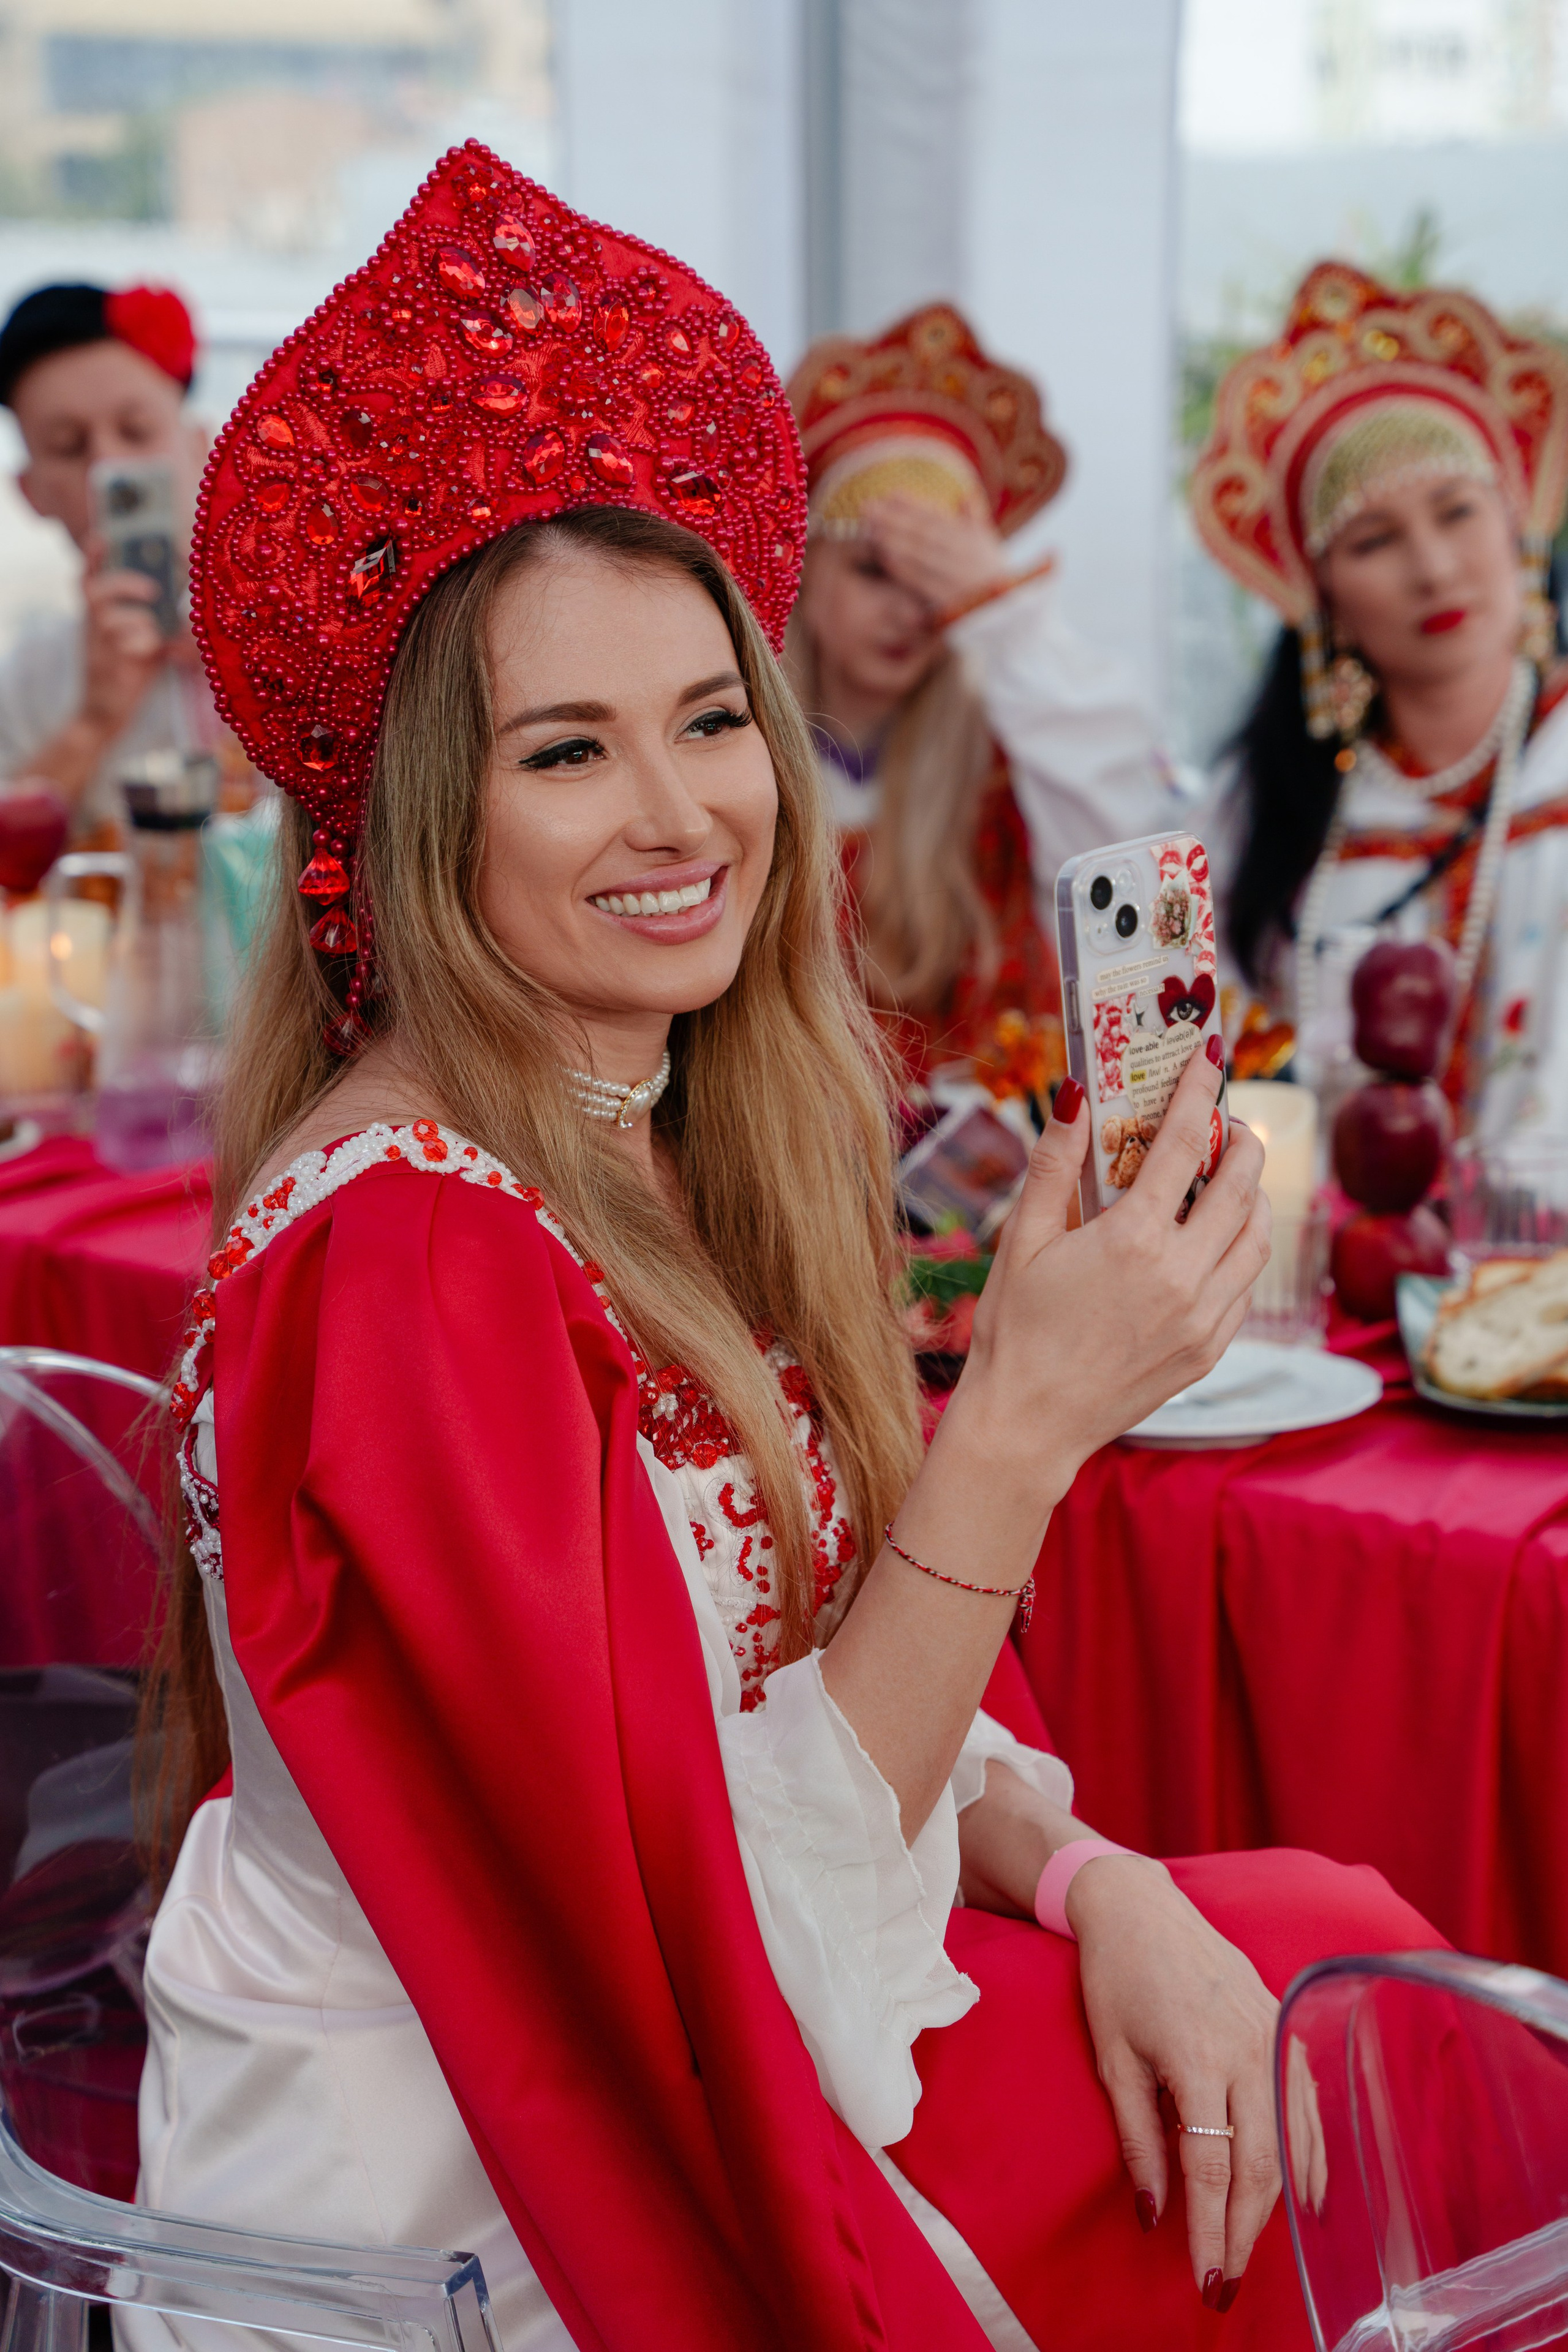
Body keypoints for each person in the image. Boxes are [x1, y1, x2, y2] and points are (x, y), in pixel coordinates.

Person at [138, 146, 1435, 2352]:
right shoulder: (405, 1267)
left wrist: (1097, 1877)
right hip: (514, 2193)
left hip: (760, 2012)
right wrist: (1012, 1432)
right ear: (416, 822)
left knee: (1318, 1952)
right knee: (1362, 2071)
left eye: (710, 718)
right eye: (567, 751)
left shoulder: (646, 1135)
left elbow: (799, 1692)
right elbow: (682, 1970)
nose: (682, 818)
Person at [1191, 259, 1568, 1135]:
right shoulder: (1268, 815)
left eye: (1457, 512)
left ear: (1517, 527)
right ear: (1322, 598)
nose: (1434, 568)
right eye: (1374, 539)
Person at [787, 306, 1178, 1093]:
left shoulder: (1007, 769)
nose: (909, 610)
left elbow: (1133, 882)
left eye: (935, 580)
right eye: (873, 570)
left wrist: (1003, 613)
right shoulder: (738, 763)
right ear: (801, 568)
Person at [0, 280, 221, 838]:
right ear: (32, 493)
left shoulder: (324, 636)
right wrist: (93, 722)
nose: (110, 469)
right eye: (70, 448)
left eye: (136, 431)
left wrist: (261, 667)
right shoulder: (32, 676)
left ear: (200, 446)